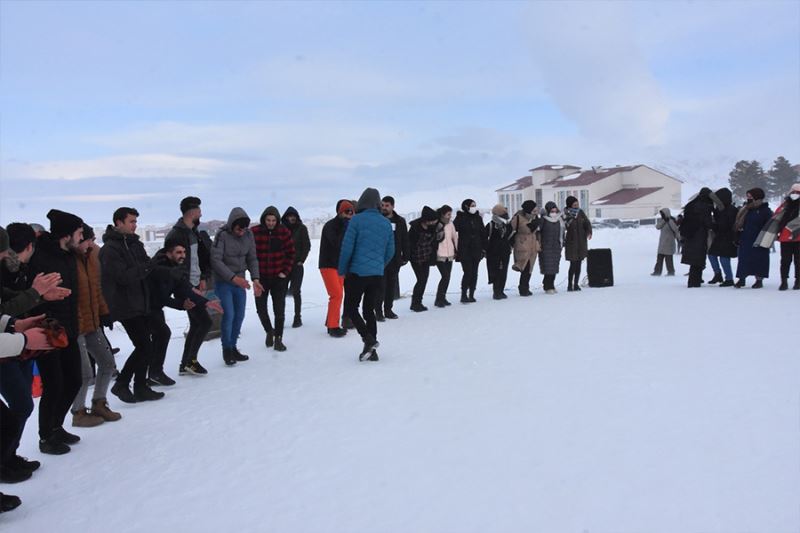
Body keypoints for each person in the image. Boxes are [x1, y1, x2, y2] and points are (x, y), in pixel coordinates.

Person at [27, 209, 86, 454]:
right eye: (79, 233)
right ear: (67, 234)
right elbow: (37, 295)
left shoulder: (68, 255)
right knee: (54, 384)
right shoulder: (42, 257)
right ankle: (45, 436)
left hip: (69, 328)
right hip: (48, 329)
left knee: (75, 379)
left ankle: (56, 426)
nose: (82, 238)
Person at [100, 207, 165, 404]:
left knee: (147, 345)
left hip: (141, 301)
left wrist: (162, 267)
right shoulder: (110, 249)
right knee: (144, 345)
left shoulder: (135, 244)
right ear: (118, 223)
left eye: (136, 222)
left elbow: (147, 267)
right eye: (131, 222)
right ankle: (122, 383)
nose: (135, 225)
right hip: (125, 305)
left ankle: (139, 385)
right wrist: (147, 267)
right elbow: (122, 277)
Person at [147, 238, 223, 383]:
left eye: (184, 252)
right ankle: (151, 375)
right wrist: (182, 304)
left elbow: (184, 288)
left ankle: (156, 373)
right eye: (178, 252)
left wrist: (207, 302)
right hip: (144, 307)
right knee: (156, 338)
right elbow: (160, 297)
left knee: (159, 336)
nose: (182, 255)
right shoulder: (160, 268)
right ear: (169, 254)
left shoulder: (175, 268)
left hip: (155, 306)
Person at [70, 224, 120, 428]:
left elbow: (96, 289)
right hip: (76, 324)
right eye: (87, 239)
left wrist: (104, 311)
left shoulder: (91, 258)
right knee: (84, 373)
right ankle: (78, 412)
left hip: (93, 321)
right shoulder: (68, 261)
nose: (91, 244)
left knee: (107, 363)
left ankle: (99, 403)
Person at [338, 188, 395, 362]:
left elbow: (347, 248)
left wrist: (342, 269)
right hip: (377, 275)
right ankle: (372, 351)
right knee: (369, 310)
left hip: (357, 273)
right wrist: (379, 265)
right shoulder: (386, 223)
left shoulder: (356, 221)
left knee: (350, 308)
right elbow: (390, 250)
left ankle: (368, 339)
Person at [164, 196, 213, 376]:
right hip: (184, 287)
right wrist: (185, 287)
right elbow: (174, 266)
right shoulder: (176, 235)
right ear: (192, 212)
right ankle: (189, 362)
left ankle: (186, 363)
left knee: (197, 323)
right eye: (199, 210)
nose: (201, 213)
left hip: (195, 283)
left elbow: (201, 257)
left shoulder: (194, 232)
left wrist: (203, 276)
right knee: (205, 322)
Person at [211, 208, 263, 365]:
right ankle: (226, 349)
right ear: (232, 225)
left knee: (239, 315)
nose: (241, 232)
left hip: (241, 281)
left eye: (244, 229)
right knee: (229, 315)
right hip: (224, 281)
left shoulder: (248, 235)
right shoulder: (222, 235)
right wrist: (233, 278)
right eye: (239, 229)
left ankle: (233, 346)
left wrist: (255, 279)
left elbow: (252, 258)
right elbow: (216, 261)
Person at [252, 206, 296, 352]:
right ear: (264, 219)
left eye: (273, 220)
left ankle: (278, 338)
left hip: (279, 278)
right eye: (268, 220)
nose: (271, 223)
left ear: (277, 220)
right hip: (261, 278)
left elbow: (291, 253)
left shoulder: (283, 232)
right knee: (261, 309)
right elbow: (249, 255)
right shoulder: (255, 232)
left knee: (279, 310)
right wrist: (254, 275)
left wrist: (285, 271)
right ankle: (269, 331)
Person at [319, 200, 353, 337]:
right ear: (340, 212)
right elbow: (336, 244)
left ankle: (331, 322)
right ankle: (333, 326)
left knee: (338, 295)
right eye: (346, 211)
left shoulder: (348, 226)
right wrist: (346, 228)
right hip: (328, 264)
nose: (349, 215)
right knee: (336, 295)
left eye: (351, 212)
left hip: (340, 265)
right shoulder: (330, 226)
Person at [376, 196, 409, 321]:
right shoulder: (378, 219)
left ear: (393, 206)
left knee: (391, 285)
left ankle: (388, 309)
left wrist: (406, 255)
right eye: (382, 205)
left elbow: (405, 239)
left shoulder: (400, 221)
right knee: (380, 286)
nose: (384, 208)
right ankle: (378, 311)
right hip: (380, 259)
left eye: (387, 205)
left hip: (395, 259)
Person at [734, 188, 773, 288]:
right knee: (743, 259)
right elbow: (739, 222)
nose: (748, 198)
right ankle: (742, 278)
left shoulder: (765, 210)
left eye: (750, 196)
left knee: (760, 259)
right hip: (745, 237)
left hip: (759, 239)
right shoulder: (746, 209)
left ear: (757, 196)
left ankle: (759, 280)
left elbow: (770, 225)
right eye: (747, 196)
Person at [281, 207, 310, 328]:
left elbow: (306, 245)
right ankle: (280, 317)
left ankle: (297, 317)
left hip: (297, 265)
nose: (292, 218)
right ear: (286, 217)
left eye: (294, 216)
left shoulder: (301, 228)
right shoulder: (281, 229)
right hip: (284, 265)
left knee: (296, 291)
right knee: (281, 292)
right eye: (289, 216)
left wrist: (301, 260)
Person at [453, 199, 487, 303]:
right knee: (467, 272)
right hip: (465, 250)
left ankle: (471, 294)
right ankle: (464, 294)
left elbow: (483, 233)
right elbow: (454, 230)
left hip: (476, 249)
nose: (474, 207)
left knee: (474, 273)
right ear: (466, 206)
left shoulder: (478, 218)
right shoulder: (460, 218)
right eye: (472, 205)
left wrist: (484, 248)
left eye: (475, 205)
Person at [680, 188, 714, 288]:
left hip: (690, 235)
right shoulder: (704, 206)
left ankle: (693, 281)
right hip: (699, 234)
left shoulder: (691, 204)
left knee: (693, 260)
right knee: (698, 260)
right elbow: (707, 222)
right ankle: (695, 282)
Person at [408, 206, 440, 311]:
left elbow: (434, 242)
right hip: (416, 258)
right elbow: (410, 244)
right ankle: (415, 303)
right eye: (433, 220)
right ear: (427, 220)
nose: (435, 222)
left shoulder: (433, 228)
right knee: (421, 280)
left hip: (426, 257)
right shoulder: (415, 228)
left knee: (424, 280)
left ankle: (418, 302)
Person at [707, 188, 739, 287]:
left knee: (724, 258)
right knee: (711, 255)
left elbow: (727, 225)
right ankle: (718, 274)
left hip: (728, 237)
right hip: (720, 236)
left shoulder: (732, 210)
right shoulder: (719, 209)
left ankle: (729, 278)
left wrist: (714, 224)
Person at [509, 200, 540, 296]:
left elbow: (537, 232)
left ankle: (525, 286)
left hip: (533, 245)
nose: (536, 211)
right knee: (524, 267)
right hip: (522, 245)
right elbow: (510, 230)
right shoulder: (518, 218)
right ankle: (522, 288)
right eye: (534, 209)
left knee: (530, 268)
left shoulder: (535, 218)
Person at [773, 183, 800, 290]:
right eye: (793, 192)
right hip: (785, 237)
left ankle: (798, 280)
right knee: (785, 260)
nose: (795, 194)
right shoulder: (785, 204)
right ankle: (784, 281)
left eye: (798, 192)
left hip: (798, 237)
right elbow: (776, 215)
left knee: (798, 261)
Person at [563, 196, 592, 291]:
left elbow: (587, 223)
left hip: (581, 242)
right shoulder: (565, 214)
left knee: (579, 263)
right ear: (569, 205)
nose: (576, 206)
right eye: (574, 204)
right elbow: (563, 227)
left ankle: (576, 284)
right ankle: (569, 285)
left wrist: (589, 232)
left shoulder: (580, 212)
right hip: (571, 242)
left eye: (577, 204)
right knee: (573, 264)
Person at [485, 204, 513, 300]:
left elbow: (510, 237)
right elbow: (485, 238)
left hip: (505, 252)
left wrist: (510, 246)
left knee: (504, 271)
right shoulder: (491, 225)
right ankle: (496, 291)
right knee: (495, 271)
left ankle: (501, 290)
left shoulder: (507, 225)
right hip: (493, 253)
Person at [434, 205, 458, 307]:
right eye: (448, 214)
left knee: (447, 277)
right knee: (445, 276)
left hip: (450, 254)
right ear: (443, 214)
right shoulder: (437, 224)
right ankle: (438, 298)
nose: (450, 216)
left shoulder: (451, 224)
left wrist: (457, 249)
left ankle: (443, 297)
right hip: (440, 254)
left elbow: (454, 237)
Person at [538, 202, 565, 294]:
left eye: (555, 209)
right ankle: (547, 286)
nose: (554, 211)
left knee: (554, 267)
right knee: (548, 267)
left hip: (556, 246)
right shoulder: (544, 219)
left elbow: (562, 232)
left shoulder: (559, 219)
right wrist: (540, 243)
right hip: (546, 246)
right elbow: (538, 231)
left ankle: (551, 284)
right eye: (552, 209)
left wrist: (562, 242)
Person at [652, 208, 680, 276]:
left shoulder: (671, 221)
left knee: (669, 259)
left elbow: (676, 230)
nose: (662, 215)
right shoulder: (663, 221)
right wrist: (664, 220)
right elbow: (658, 227)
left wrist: (679, 238)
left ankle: (671, 272)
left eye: (663, 214)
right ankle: (657, 271)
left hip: (669, 243)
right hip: (662, 243)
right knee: (659, 258)